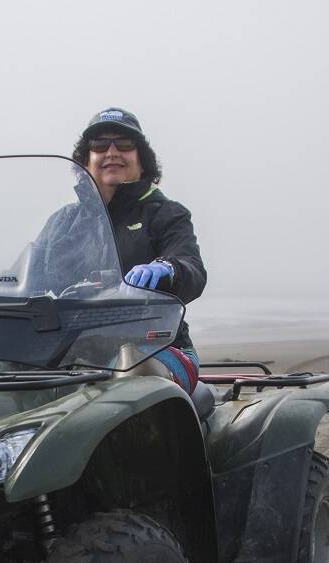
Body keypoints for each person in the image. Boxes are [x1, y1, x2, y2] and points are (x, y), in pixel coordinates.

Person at [71, 107, 206, 394]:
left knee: (131, 366)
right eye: (99, 145)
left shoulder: (167, 214)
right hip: (71, 350)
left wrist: (169, 268)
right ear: (86, 160)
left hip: (159, 345)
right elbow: (27, 274)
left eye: (124, 145)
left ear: (142, 161)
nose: (112, 152)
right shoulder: (65, 223)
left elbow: (192, 267)